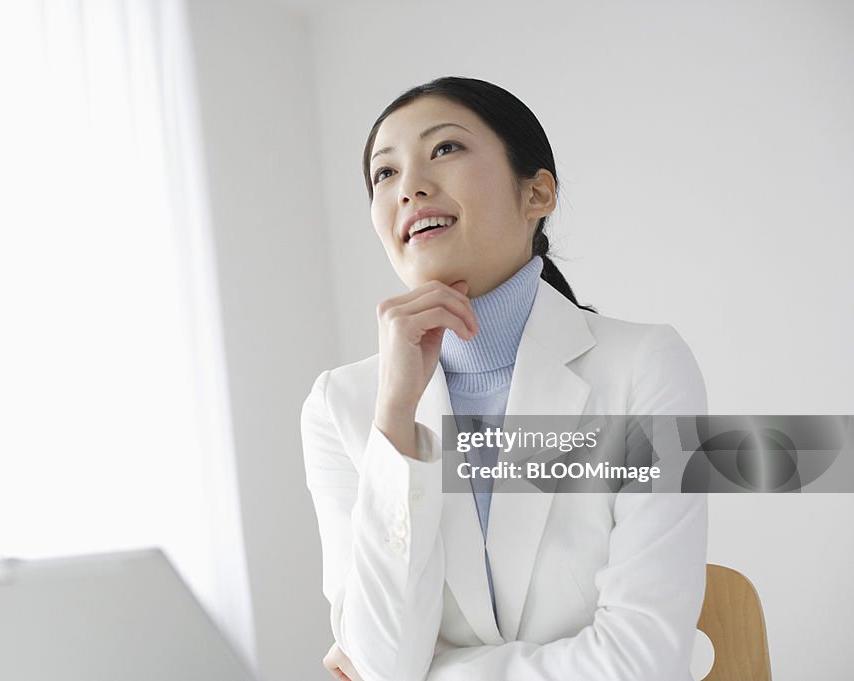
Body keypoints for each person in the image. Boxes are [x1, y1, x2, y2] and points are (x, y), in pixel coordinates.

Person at [300, 76, 707, 681]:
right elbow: (382, 662)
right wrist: (394, 422)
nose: (409, 187)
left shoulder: (645, 365)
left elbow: (641, 662)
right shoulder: (342, 406)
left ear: (537, 193)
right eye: (384, 174)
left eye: (444, 149)